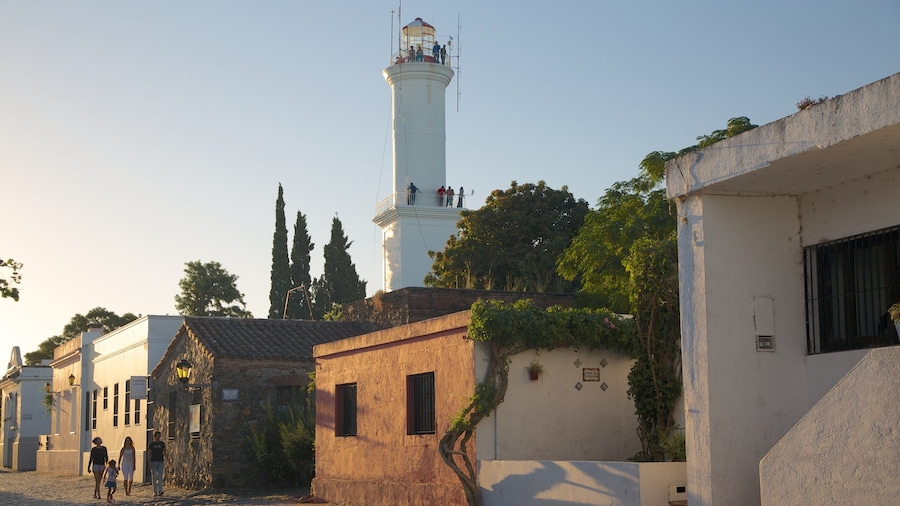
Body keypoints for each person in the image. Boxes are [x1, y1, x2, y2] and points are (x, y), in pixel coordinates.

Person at [148, 431, 167, 497]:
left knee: (160, 476)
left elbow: (164, 452)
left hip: (160, 461)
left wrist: (168, 459)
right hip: (153, 461)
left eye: (159, 436)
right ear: (155, 436)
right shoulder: (151, 444)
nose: (158, 437)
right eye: (157, 435)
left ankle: (160, 490)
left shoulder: (162, 444)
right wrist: (149, 461)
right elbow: (149, 453)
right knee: (154, 477)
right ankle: (154, 491)